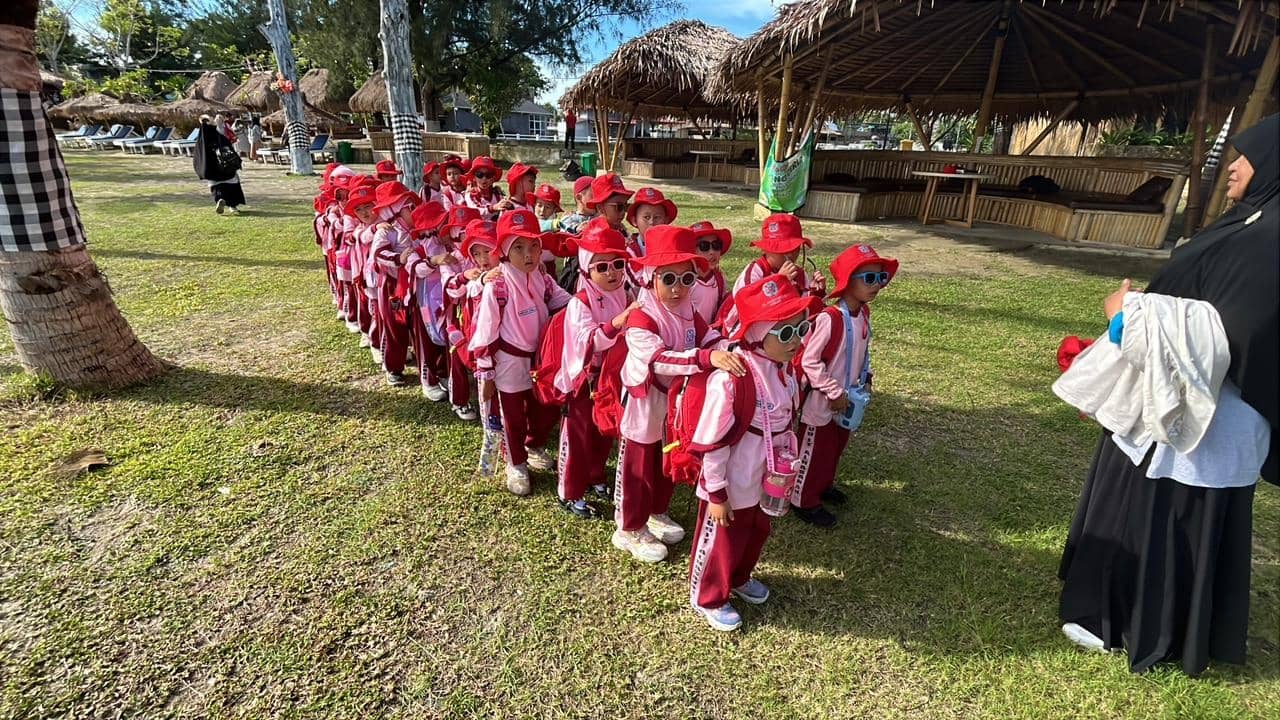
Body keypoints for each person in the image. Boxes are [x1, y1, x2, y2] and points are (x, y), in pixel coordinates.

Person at [1055, 114, 1278, 676]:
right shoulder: (1247, 223)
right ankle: (1113, 609)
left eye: (1247, 157)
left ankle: (1133, 622)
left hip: (1206, 420)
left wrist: (1127, 320)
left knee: (1164, 513)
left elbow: (1240, 335)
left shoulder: (1271, 242)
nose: (1233, 166)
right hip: (1162, 397)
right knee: (1132, 500)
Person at [688, 273, 819, 632]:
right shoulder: (733, 378)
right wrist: (716, 493)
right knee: (722, 539)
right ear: (759, 335)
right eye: (786, 332)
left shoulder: (783, 370)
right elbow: (714, 442)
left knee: (756, 530)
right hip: (734, 479)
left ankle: (739, 577)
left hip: (767, 477)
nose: (797, 341)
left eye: (801, 329)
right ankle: (708, 596)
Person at [613, 225, 745, 563]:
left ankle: (657, 510)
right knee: (639, 465)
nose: (678, 288)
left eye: (687, 279)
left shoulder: (687, 308)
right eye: (669, 279)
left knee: (668, 455)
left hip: (674, 400)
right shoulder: (641, 317)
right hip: (645, 400)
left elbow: (708, 337)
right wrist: (705, 358)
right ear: (650, 278)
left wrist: (733, 349)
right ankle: (629, 527)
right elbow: (659, 358)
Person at [468, 209, 574, 495]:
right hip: (509, 361)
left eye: (533, 246)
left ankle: (533, 444)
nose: (528, 255)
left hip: (540, 360)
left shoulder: (541, 277)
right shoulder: (497, 286)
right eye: (518, 247)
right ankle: (515, 463)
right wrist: (486, 372)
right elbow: (486, 331)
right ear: (503, 251)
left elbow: (566, 302)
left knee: (545, 409)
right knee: (512, 416)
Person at [791, 244, 897, 527]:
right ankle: (802, 499)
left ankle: (823, 486)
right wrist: (832, 391)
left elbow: (862, 351)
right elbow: (810, 361)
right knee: (814, 450)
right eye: (869, 278)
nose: (877, 285)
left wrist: (867, 376)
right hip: (822, 400)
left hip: (848, 398)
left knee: (835, 447)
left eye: (881, 278)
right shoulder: (830, 318)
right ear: (848, 281)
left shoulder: (863, 314)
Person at [554, 224, 638, 518]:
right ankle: (569, 492)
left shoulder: (625, 294)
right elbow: (588, 341)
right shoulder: (581, 302)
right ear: (587, 270)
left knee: (605, 430)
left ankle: (595, 475)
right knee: (577, 435)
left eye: (618, 264)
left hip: (611, 379)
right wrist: (618, 323)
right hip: (584, 380)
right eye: (602, 267)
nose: (612, 272)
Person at [721, 213, 826, 332]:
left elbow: (805, 312)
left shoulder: (799, 275)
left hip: (784, 333)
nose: (791, 254)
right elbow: (746, 308)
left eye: (795, 248)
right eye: (783, 250)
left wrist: (816, 292)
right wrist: (779, 282)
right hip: (747, 332)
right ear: (766, 249)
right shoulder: (755, 272)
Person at [369, 181, 421, 386]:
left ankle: (423, 361)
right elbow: (378, 254)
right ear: (394, 211)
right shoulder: (386, 232)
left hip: (415, 282)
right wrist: (398, 258)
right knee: (394, 325)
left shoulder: (416, 229)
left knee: (417, 322)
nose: (414, 212)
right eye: (409, 208)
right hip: (393, 286)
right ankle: (394, 367)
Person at [193, 114, 246, 216]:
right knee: (232, 186)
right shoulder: (218, 137)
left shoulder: (201, 142)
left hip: (212, 172)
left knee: (217, 187)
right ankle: (232, 206)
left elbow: (197, 158)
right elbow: (229, 148)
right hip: (226, 168)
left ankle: (220, 199)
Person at [688, 220, 732, 325]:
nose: (712, 252)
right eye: (704, 246)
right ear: (691, 250)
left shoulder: (719, 278)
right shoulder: (685, 280)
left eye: (716, 245)